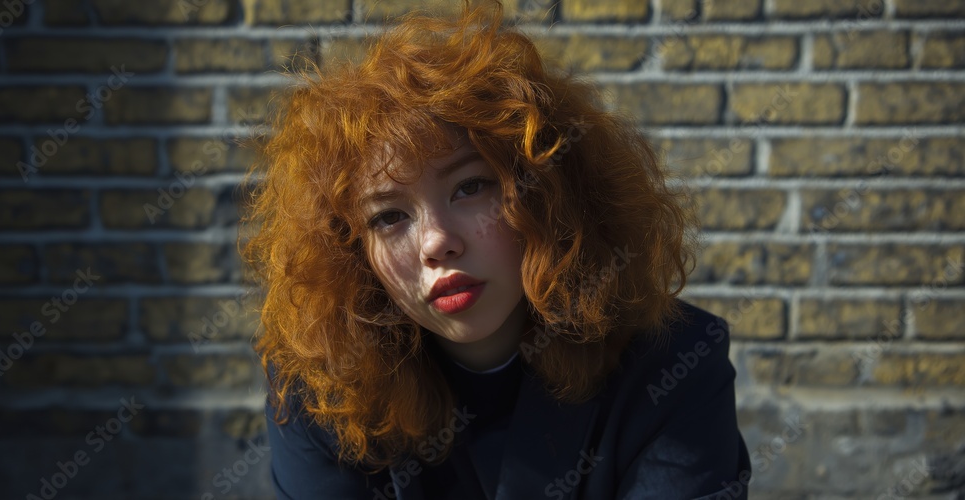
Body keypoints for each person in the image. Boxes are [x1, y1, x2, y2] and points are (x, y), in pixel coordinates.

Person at [241, 1, 752, 498]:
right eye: (388, 216)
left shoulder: (677, 365)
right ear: (353, 254)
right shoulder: (321, 395)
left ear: (547, 191)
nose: (437, 242)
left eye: (470, 188)